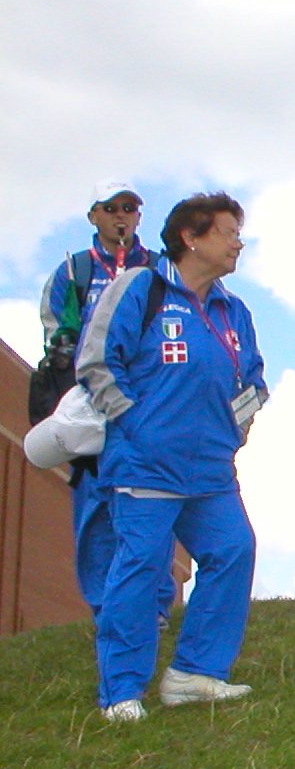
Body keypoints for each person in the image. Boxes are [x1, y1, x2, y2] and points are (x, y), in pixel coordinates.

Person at [76, 192, 268, 722]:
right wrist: (134, 423)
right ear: (192, 236)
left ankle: (194, 674)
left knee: (233, 550)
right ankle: (121, 690)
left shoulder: (234, 310)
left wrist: (239, 426)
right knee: (141, 569)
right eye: (229, 233)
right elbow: (96, 362)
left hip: (212, 468)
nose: (238, 243)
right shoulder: (140, 287)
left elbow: (253, 378)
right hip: (144, 464)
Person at [38, 181, 177, 631]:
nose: (122, 216)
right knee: (96, 507)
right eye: (111, 208)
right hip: (92, 402)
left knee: (153, 499)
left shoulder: (159, 268)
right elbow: (57, 326)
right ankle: (105, 608)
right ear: (93, 216)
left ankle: (155, 605)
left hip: (148, 401)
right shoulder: (75, 270)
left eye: (131, 208)